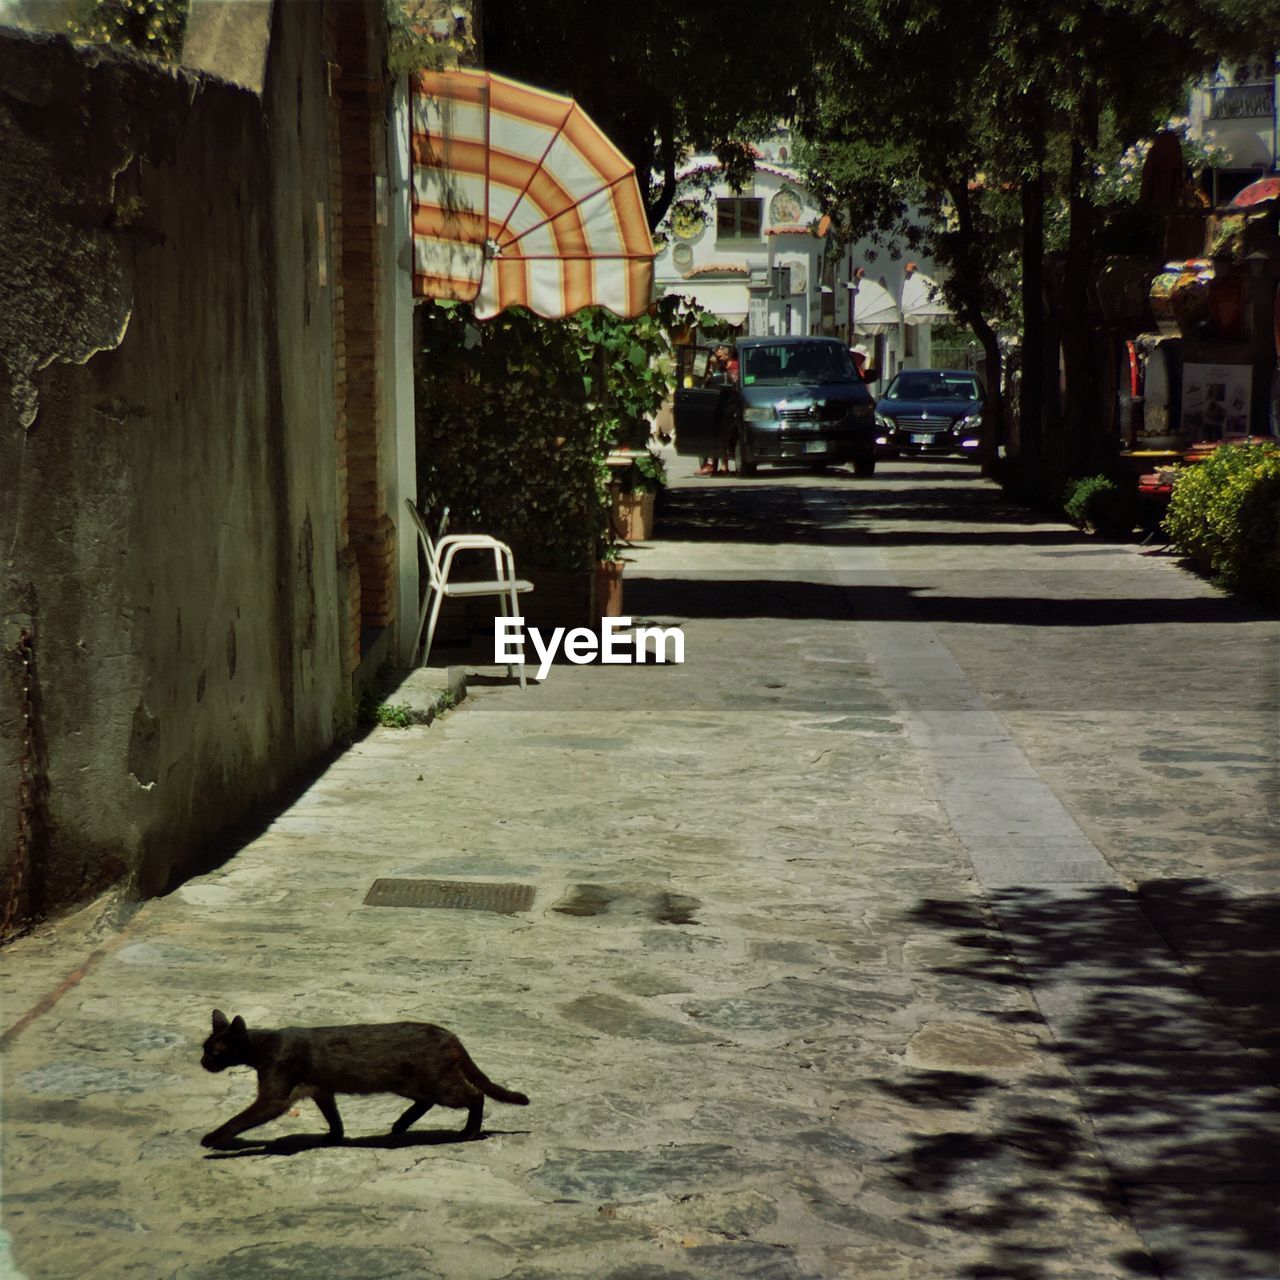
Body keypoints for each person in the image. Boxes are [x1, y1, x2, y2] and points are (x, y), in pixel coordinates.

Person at [698, 346, 735, 475]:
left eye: (720, 356)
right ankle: (715, 465)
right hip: (716, 408)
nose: (718, 359)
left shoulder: (727, 370)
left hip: (725, 408)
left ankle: (722, 466)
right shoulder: (715, 373)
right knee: (716, 438)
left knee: (722, 438)